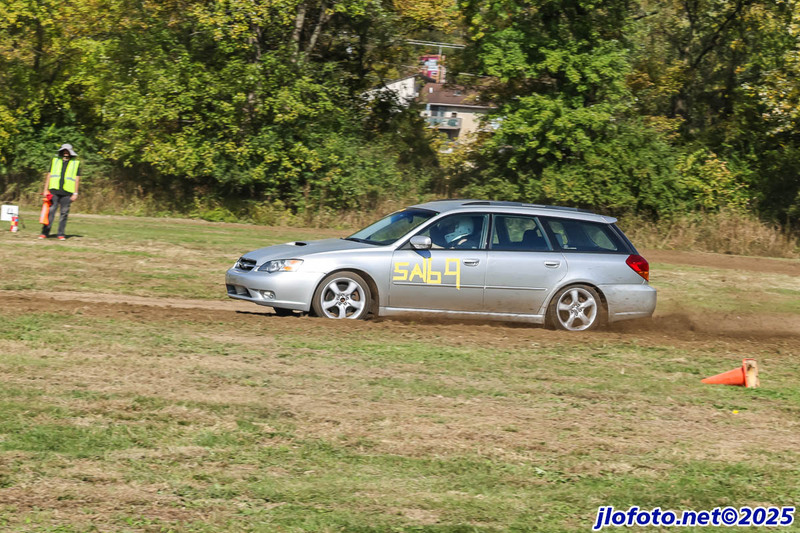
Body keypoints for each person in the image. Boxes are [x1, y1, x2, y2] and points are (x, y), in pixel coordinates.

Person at [40, 143, 80, 240]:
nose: (66, 153)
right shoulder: (55, 161)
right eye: (64, 151)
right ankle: (45, 233)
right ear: (61, 152)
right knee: (50, 212)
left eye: (67, 151)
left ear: (70, 152)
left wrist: (75, 193)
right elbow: (49, 175)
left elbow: (77, 179)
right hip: (54, 191)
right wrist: (46, 189)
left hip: (67, 193)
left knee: (64, 213)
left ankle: (61, 234)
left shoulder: (76, 163)